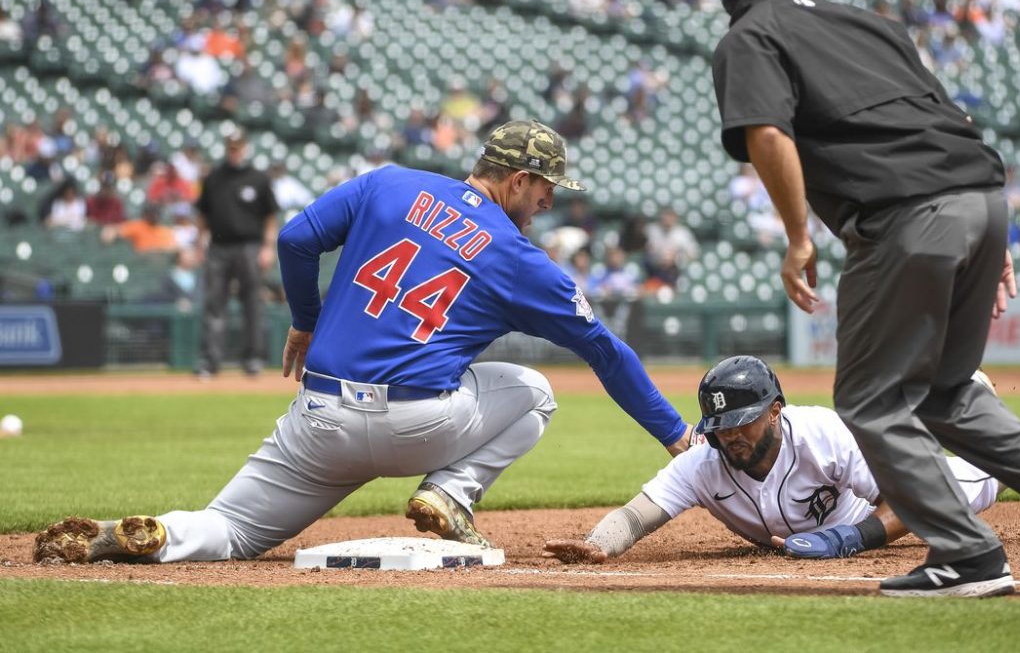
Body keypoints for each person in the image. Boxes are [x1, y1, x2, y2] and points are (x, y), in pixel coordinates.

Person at [34, 120, 692, 565]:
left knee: (231, 531)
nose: (549, 202)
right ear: (517, 180)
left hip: (321, 417)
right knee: (535, 391)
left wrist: (304, 317)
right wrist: (674, 437)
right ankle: (452, 492)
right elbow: (606, 350)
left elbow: (294, 238)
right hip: (421, 422)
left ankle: (151, 535)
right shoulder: (522, 260)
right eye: (546, 187)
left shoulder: (389, 182)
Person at [704, 0, 1020, 597]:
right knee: (945, 393)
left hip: (904, 217)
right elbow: (946, 117)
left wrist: (798, 235)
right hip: (980, 195)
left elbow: (767, 134)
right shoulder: (864, 21)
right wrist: (991, 234)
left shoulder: (748, 36)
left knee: (869, 399)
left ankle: (968, 556)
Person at [545, 357, 1020, 580]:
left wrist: (849, 538)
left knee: (961, 488)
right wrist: (601, 543)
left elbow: (902, 506)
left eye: (744, 420)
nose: (731, 435)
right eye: (719, 426)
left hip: (876, 501)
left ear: (776, 410)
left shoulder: (819, 433)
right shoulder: (705, 463)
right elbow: (638, 514)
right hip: (855, 502)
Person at [193, 131, 279, 378]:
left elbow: (270, 216)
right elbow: (202, 214)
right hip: (218, 248)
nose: (234, 151)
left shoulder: (258, 179)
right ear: (226, 148)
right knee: (214, 303)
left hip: (249, 246)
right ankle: (210, 361)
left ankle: (253, 359)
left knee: (252, 302)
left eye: (238, 147)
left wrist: (267, 247)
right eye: (231, 147)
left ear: (245, 148)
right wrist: (199, 243)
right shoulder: (214, 178)